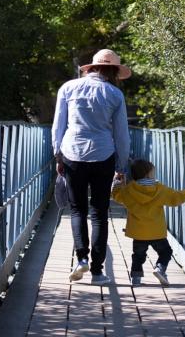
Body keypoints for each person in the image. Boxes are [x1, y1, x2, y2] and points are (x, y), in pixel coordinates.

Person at [52, 48, 131, 285]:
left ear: (92, 67)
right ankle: (97, 272)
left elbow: (58, 126)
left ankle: (81, 260)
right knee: (99, 214)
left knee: (77, 210)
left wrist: (58, 155)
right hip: (103, 155)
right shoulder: (115, 95)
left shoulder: (67, 88)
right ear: (113, 71)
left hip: (72, 154)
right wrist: (122, 164)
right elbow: (122, 134)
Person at [111, 158, 185, 286]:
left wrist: (117, 181)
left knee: (138, 256)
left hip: (138, 233)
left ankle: (136, 278)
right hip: (157, 232)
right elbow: (175, 198)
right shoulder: (159, 189)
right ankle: (160, 269)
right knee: (166, 252)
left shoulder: (128, 190)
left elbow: (116, 195)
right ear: (148, 174)